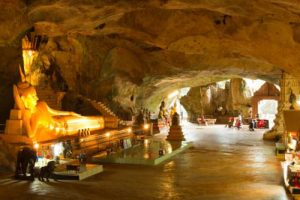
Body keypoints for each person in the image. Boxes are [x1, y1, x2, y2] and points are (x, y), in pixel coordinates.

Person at [13, 66, 105, 142]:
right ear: (23, 99)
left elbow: (56, 113)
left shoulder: (42, 104)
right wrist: (25, 117)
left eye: (36, 95)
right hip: (65, 130)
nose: (36, 98)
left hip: (63, 121)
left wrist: (70, 113)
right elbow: (31, 135)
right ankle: (109, 121)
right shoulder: (31, 116)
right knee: (95, 124)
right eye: (33, 97)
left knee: (92, 119)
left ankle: (109, 120)